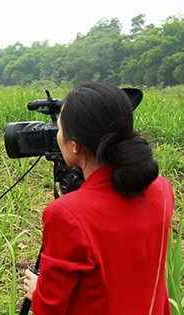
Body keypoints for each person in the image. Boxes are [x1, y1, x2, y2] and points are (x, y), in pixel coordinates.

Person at [22, 82, 174, 314]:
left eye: (59, 128)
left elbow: (51, 308)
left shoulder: (67, 215)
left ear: (74, 146)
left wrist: (37, 291)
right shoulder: (162, 189)